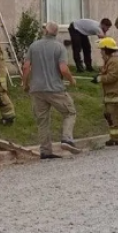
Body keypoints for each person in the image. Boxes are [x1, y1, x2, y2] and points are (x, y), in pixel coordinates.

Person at [22, 21, 79, 159]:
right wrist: (72, 80)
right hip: (55, 89)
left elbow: (26, 67)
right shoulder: (59, 47)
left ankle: (45, 151)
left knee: (42, 120)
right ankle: (66, 139)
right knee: (70, 112)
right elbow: (63, 69)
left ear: (45, 31)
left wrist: (25, 83)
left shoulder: (34, 46)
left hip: (37, 89)